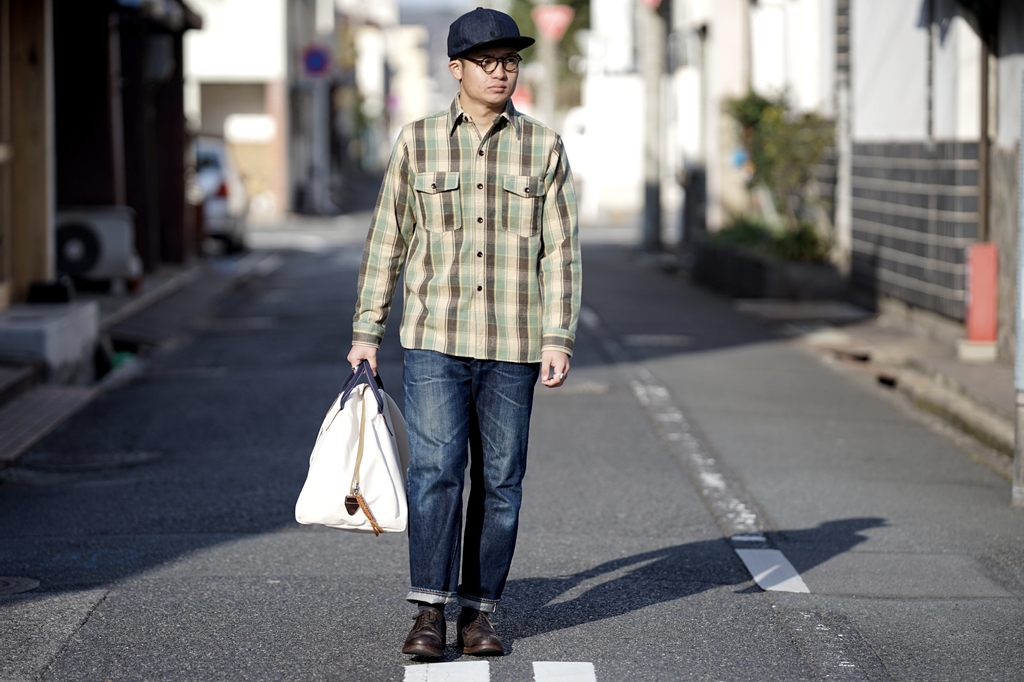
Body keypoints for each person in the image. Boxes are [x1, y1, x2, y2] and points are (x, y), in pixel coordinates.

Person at [347, 7, 581, 658]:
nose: (501, 72)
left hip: (514, 342)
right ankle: (429, 612)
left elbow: (561, 251)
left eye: (510, 60)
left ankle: (480, 613)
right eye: (487, 61)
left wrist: (557, 336)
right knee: (435, 473)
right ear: (456, 68)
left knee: (501, 483)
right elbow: (387, 240)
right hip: (434, 337)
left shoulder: (543, 147)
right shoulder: (416, 142)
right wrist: (367, 330)